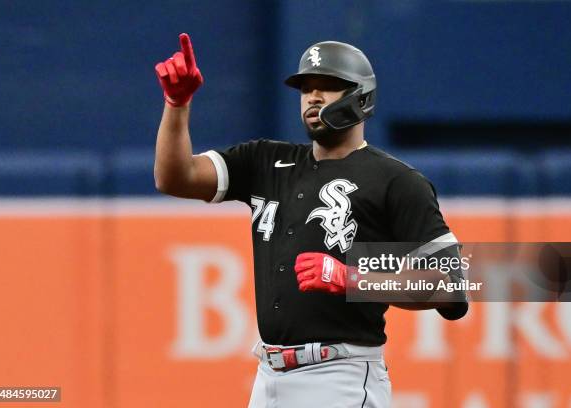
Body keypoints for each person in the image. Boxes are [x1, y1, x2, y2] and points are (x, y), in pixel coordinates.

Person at [154, 33, 468, 408]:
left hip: (341, 375)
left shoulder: (395, 180)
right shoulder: (266, 161)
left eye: (329, 87)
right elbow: (175, 177)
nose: (313, 97)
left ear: (361, 97)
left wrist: (349, 277)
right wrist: (178, 104)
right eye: (306, 88)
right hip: (268, 374)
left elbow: (452, 287)